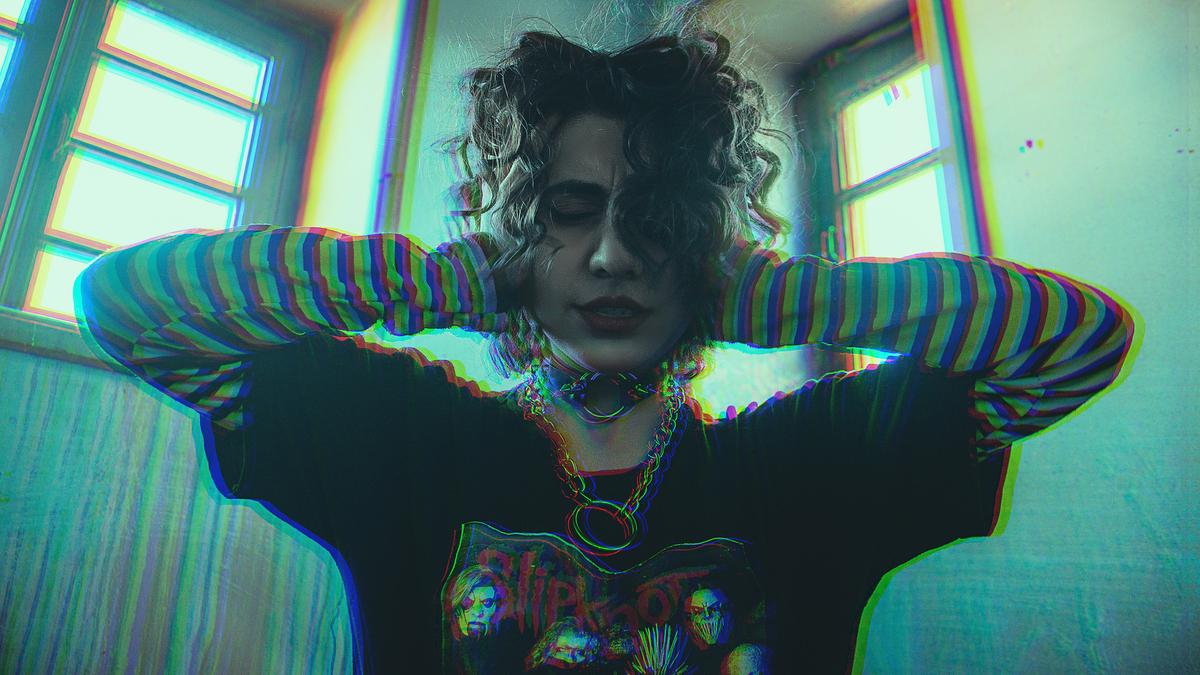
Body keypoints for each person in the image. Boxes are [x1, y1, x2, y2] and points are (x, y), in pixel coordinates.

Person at [78, 25, 1135, 675]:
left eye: (657, 218)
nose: (615, 255)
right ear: (518, 234)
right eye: (571, 211)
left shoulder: (818, 460)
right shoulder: (401, 433)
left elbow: (1076, 338)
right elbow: (132, 302)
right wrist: (458, 281)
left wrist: (771, 296)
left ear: (705, 244)